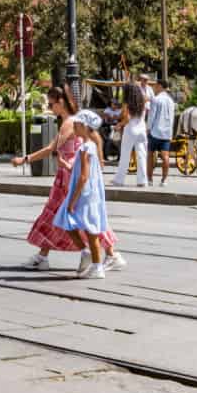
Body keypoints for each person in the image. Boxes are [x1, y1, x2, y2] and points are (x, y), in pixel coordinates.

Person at [11, 85, 124, 271]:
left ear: (61, 102)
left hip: (70, 177)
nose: (50, 107)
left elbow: (51, 149)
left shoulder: (71, 123)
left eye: (51, 103)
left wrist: (24, 159)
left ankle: (110, 254)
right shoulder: (71, 122)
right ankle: (43, 256)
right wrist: (100, 158)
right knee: (57, 216)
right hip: (65, 176)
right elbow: (96, 139)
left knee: (78, 218)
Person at [53, 110, 111, 278]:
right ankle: (88, 255)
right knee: (68, 221)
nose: (74, 127)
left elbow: (84, 176)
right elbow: (82, 171)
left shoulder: (86, 147)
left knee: (90, 229)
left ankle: (97, 265)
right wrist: (66, 165)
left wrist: (73, 200)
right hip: (87, 193)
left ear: (85, 127)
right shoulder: (88, 146)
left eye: (77, 125)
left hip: (85, 194)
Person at [112, 82, 148, 189]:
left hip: (130, 129)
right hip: (142, 128)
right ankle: (142, 180)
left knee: (125, 155)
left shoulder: (127, 102)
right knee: (141, 155)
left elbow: (126, 118)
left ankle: (119, 180)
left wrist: (119, 125)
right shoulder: (143, 100)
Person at [144, 77, 177, 185]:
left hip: (155, 131)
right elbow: (172, 119)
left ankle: (150, 179)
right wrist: (171, 132)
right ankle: (164, 180)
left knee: (150, 155)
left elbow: (151, 116)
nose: (154, 88)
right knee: (165, 156)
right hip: (166, 133)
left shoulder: (156, 99)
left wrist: (148, 129)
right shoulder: (171, 101)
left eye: (155, 86)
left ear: (160, 86)